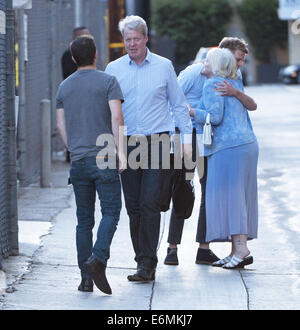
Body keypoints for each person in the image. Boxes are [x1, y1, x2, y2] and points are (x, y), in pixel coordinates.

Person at [105, 15, 193, 282]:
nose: (131, 44)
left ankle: (147, 264)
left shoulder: (164, 67)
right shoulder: (114, 69)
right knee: (133, 207)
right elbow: (108, 110)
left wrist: (187, 142)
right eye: (127, 39)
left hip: (158, 142)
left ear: (145, 38)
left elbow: (178, 105)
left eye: (135, 39)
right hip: (128, 144)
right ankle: (141, 258)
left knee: (150, 202)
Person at [164, 37, 257, 266]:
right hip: (187, 138)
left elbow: (245, 107)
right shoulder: (194, 74)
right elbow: (171, 100)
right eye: (237, 59)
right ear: (222, 56)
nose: (240, 64)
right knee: (183, 190)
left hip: (212, 143)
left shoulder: (232, 77)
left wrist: (235, 93)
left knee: (210, 195)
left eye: (242, 60)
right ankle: (172, 248)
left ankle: (204, 248)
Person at [56, 35, 126, 294]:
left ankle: (86, 279)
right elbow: (116, 116)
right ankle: (98, 258)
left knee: (83, 221)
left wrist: (72, 148)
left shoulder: (64, 87)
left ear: (73, 59)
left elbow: (60, 125)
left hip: (79, 160)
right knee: (111, 212)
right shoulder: (108, 81)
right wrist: (121, 152)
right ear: (96, 55)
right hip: (104, 156)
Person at [190, 47, 258, 269]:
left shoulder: (212, 84)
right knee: (240, 196)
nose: (204, 64)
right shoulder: (234, 81)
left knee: (231, 198)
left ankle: (241, 249)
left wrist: (190, 111)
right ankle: (235, 251)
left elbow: (215, 117)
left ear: (217, 65)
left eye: (207, 61)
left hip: (227, 148)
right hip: (246, 144)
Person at [61, 26, 90, 163]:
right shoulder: (68, 55)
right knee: (73, 124)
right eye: (83, 37)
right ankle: (71, 153)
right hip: (74, 97)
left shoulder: (90, 54)